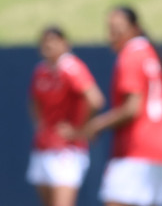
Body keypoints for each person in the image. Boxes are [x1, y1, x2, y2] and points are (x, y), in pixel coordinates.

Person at [78, 6, 162, 206]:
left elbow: (133, 108)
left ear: (134, 29)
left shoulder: (130, 55)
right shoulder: (148, 52)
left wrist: (97, 124)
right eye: (109, 30)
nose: (111, 36)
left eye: (117, 30)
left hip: (135, 150)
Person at [27, 26, 105, 206]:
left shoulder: (71, 67)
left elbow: (95, 99)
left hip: (67, 150)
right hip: (43, 147)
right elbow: (34, 101)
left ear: (65, 43)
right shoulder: (40, 71)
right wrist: (40, 126)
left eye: (54, 40)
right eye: (45, 41)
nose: (49, 45)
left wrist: (80, 130)